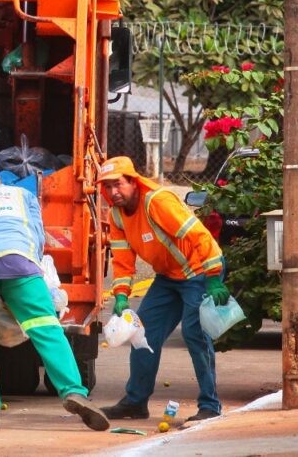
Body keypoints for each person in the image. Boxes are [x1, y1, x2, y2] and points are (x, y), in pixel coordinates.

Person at [0, 158, 109, 431]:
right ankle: (73, 391)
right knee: (47, 329)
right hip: (20, 262)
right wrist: (29, 267)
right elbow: (36, 235)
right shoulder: (21, 194)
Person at [96, 156, 229, 423]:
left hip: (198, 271)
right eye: (107, 187)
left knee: (195, 333)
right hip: (168, 278)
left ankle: (210, 405)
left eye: (118, 184)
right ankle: (136, 402)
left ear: (133, 182)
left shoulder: (158, 202)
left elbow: (200, 236)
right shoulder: (117, 215)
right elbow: (122, 262)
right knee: (141, 333)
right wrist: (120, 296)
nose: (113, 192)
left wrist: (213, 277)